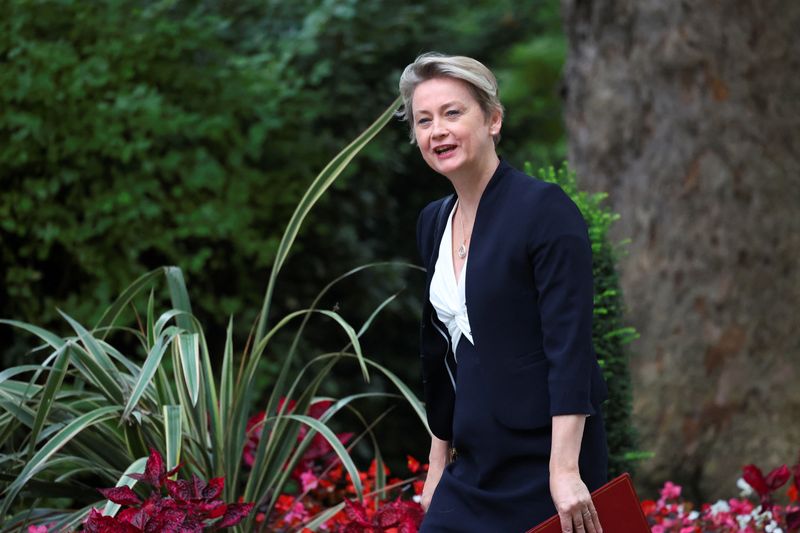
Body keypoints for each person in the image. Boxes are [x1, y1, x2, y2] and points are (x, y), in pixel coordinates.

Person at [399, 52, 609, 533]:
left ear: (493, 119)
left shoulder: (545, 210)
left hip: (545, 457)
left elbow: (569, 348)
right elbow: (438, 356)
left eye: (453, 113)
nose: (438, 131)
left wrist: (565, 471)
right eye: (424, 120)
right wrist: (436, 468)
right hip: (472, 460)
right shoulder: (433, 221)